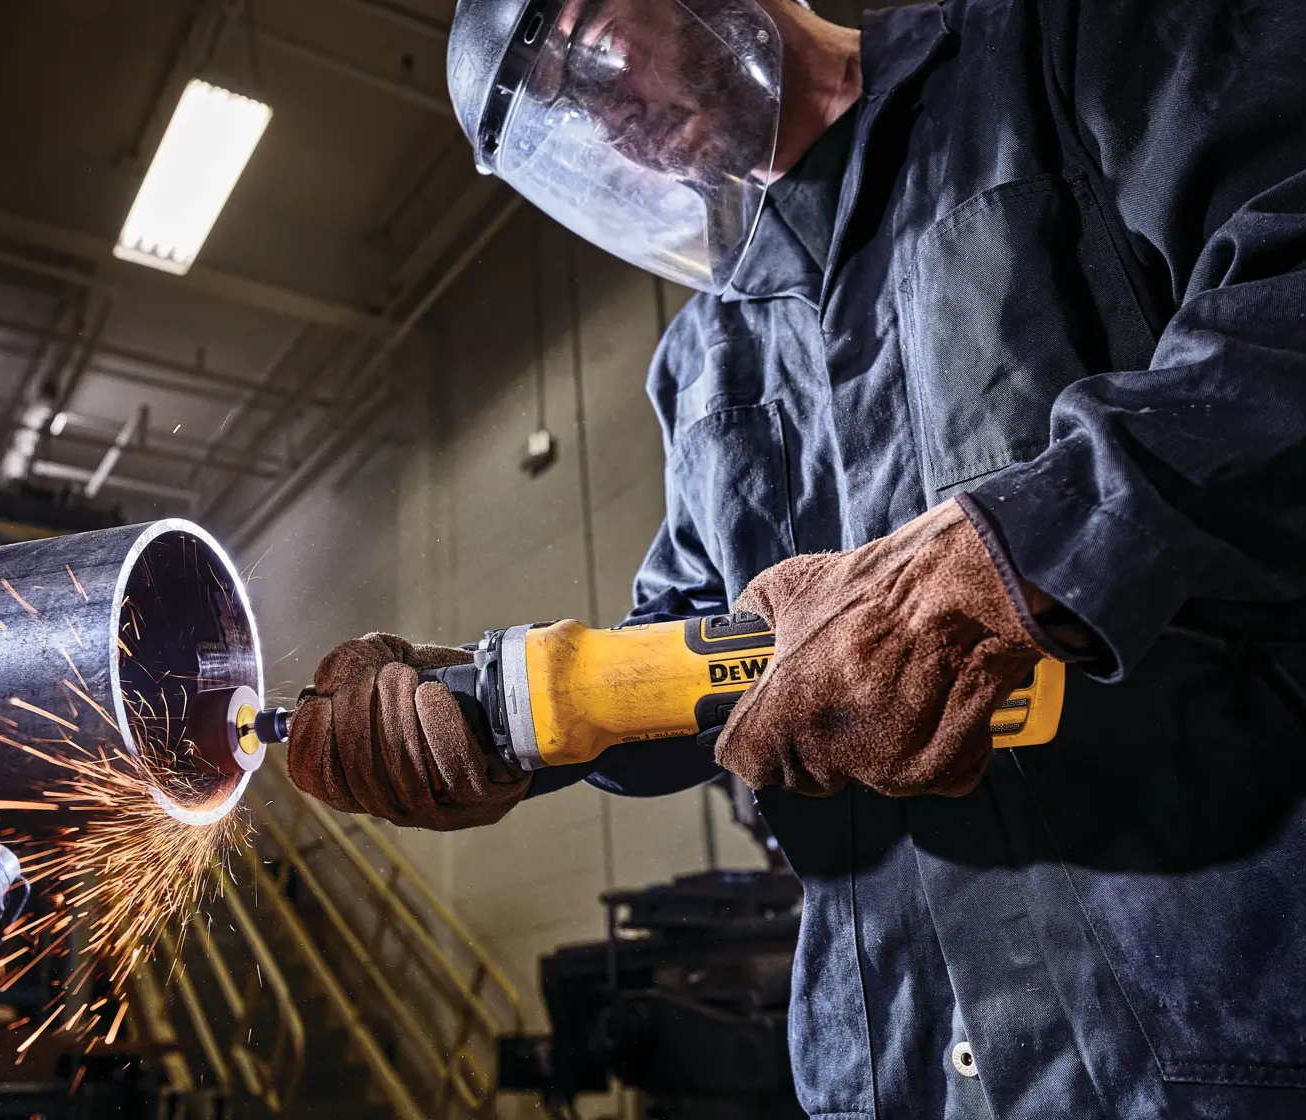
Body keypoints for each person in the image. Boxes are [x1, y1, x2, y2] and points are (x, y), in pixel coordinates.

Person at [285, 0, 1306, 1115]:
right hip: (898, 1073)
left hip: (1213, 1028)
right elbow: (684, 656)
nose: (603, 111)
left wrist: (1013, 551)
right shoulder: (703, 359)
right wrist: (502, 723)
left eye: (583, 42)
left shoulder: (1052, 53)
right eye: (560, 112)